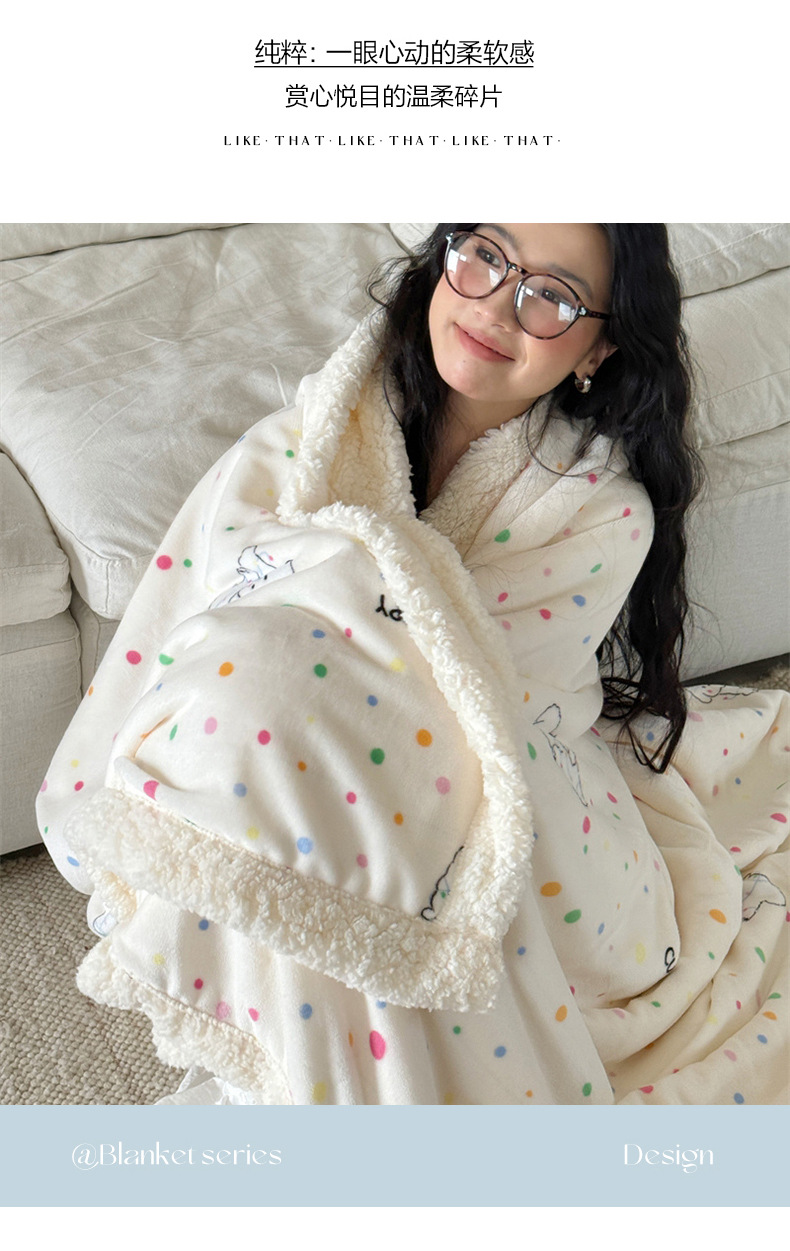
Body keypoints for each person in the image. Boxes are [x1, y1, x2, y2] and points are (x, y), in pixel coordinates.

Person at [36, 224, 788, 1106]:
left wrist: (324, 602)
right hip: (297, 744)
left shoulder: (601, 513)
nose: (497, 306)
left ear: (598, 348)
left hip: (496, 795)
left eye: (551, 296)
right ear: (445, 258)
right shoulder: (298, 441)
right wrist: (328, 621)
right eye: (487, 255)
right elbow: (203, 618)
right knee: (253, 685)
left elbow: (465, 700)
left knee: (290, 692)